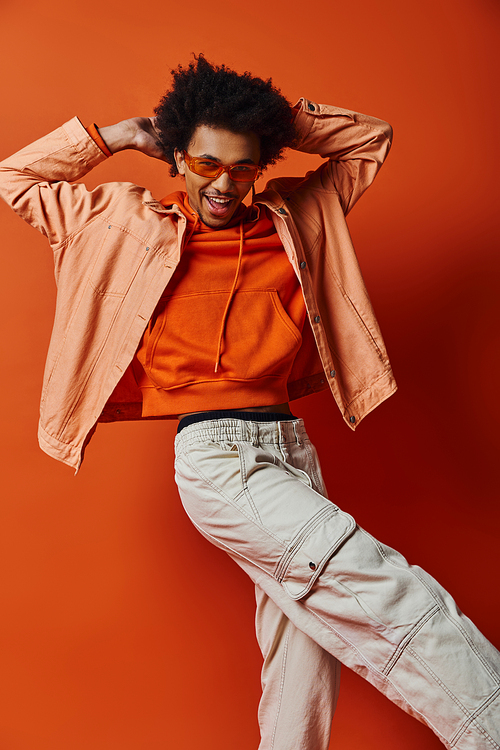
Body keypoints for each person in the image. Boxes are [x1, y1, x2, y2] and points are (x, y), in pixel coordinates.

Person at [0, 55, 499, 750]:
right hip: (219, 461)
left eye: (242, 167)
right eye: (206, 164)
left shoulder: (298, 215)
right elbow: (15, 178)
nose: (224, 185)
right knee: (389, 592)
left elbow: (368, 138)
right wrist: (114, 136)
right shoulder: (121, 223)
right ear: (176, 157)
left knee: (303, 651)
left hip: (291, 451)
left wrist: (263, 118)